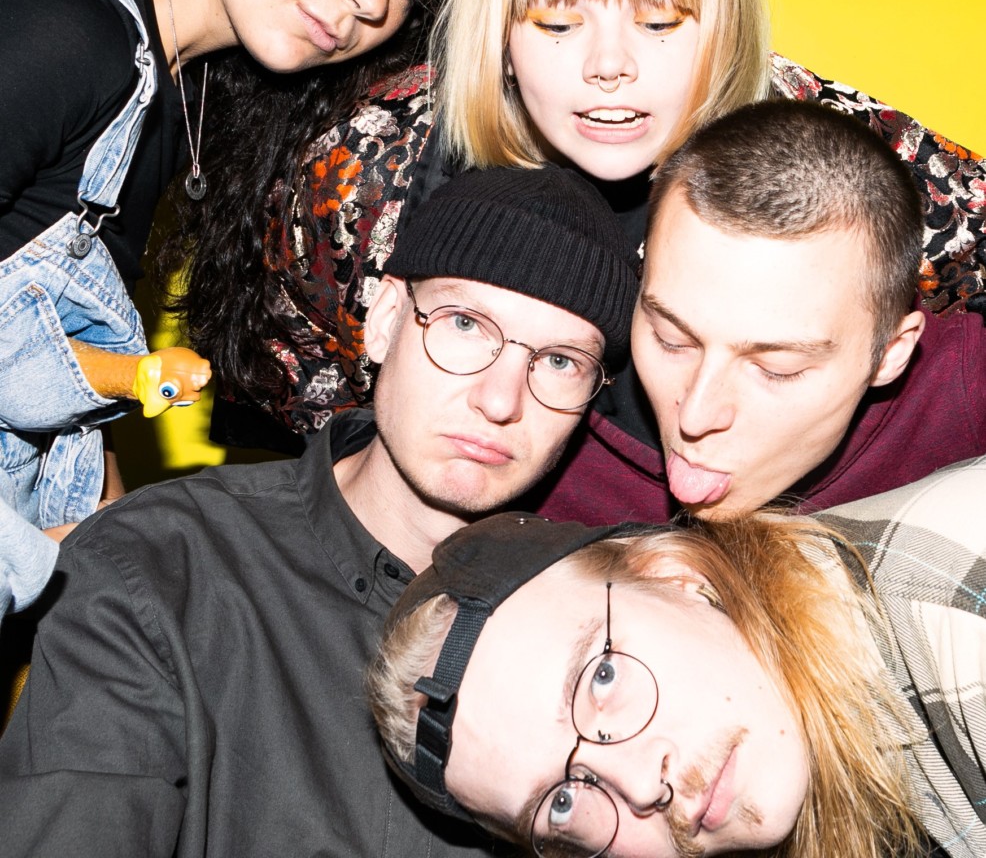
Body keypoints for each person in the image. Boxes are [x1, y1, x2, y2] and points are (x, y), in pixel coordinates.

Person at [185, 0, 986, 454]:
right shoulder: (368, 171)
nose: (610, 67)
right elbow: (296, 413)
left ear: (725, 27)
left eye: (660, 23)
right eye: (559, 23)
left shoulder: (824, 150)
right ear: (497, 30)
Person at [0, 165, 640, 856]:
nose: (500, 399)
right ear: (389, 319)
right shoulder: (161, 567)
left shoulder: (612, 630)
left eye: (559, 363)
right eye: (464, 323)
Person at [0, 0, 510, 609]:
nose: (372, 2)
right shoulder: (62, 29)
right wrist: (35, 556)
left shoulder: (175, 93)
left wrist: (108, 543)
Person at [368, 453, 986, 858]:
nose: (640, 786)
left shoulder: (960, 609)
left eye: (601, 677)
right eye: (563, 800)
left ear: (675, 574)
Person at [528, 99, 986, 522]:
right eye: (671, 339)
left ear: (890, 353)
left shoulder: (963, 388)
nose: (695, 416)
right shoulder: (536, 399)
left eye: (776, 368)